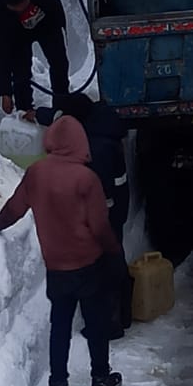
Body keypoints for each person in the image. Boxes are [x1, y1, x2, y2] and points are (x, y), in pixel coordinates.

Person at [0, 115, 123, 386]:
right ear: (80, 142)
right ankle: (101, 377)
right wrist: (114, 254)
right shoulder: (85, 178)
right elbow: (100, 226)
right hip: (88, 263)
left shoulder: (37, 173)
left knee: (60, 325)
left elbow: (14, 208)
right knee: (96, 320)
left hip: (57, 267)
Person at [0, 0, 105, 120]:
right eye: (18, 9)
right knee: (20, 72)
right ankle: (24, 112)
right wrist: (4, 91)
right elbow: (0, 50)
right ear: (7, 6)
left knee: (59, 63)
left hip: (48, 22)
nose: (23, 10)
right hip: (17, 35)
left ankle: (62, 109)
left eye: (25, 5)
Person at [61, 91, 133, 335]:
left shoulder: (97, 146)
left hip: (106, 209)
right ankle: (123, 315)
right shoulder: (100, 123)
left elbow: (101, 189)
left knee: (104, 264)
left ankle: (110, 324)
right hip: (116, 204)